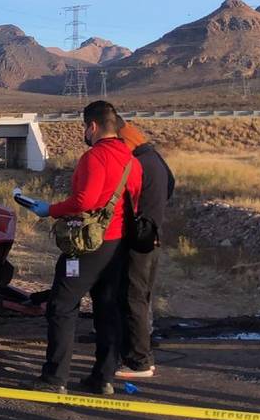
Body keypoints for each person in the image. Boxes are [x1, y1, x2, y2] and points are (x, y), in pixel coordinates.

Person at [23, 100, 142, 395]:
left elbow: (85, 201)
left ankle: (54, 378)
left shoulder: (95, 157)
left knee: (62, 306)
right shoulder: (131, 160)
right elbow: (135, 201)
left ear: (92, 126)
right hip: (118, 245)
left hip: (88, 245)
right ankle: (103, 378)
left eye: (84, 128)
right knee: (107, 309)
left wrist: (50, 209)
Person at [115, 120, 175, 379]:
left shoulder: (137, 163)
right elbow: (171, 185)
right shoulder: (156, 159)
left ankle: (138, 361)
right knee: (143, 298)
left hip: (139, 241)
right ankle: (142, 353)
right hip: (153, 238)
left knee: (133, 298)